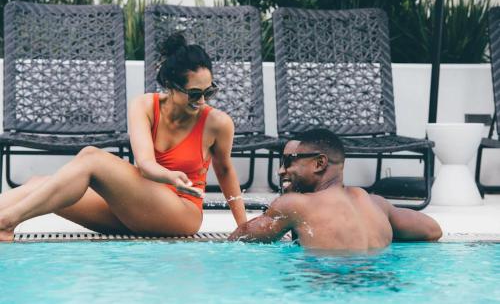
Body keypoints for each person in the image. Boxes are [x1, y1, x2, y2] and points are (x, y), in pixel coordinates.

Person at [0, 33, 247, 241]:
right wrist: (169, 175)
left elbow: (225, 171)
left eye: (209, 91)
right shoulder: (145, 106)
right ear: (172, 85)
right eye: (194, 94)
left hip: (181, 211)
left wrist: (243, 225)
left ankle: (8, 222)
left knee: (91, 158)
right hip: (137, 208)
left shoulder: (217, 123)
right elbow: (145, 165)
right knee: (38, 185)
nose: (202, 101)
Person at [228, 128, 442, 251]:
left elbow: (237, 241)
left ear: (319, 163)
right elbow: (432, 230)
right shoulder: (374, 202)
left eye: (289, 161)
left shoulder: (294, 205)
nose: (281, 170)